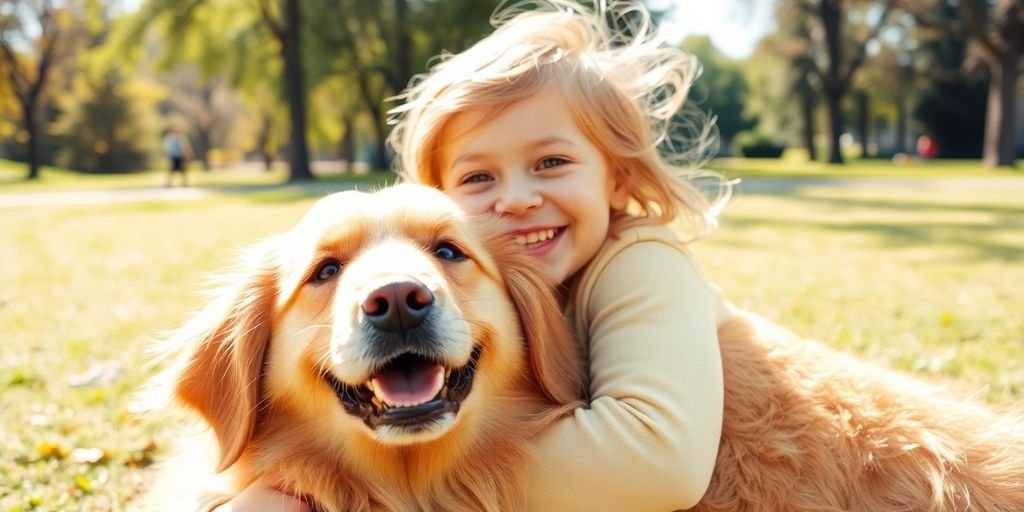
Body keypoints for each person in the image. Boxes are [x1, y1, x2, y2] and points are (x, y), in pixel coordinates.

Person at [215, 1, 735, 510]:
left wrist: (357, 491)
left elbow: (659, 463)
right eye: (478, 178)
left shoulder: (642, 261)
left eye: (552, 162)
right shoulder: (490, 280)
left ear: (618, 179)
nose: (515, 199)